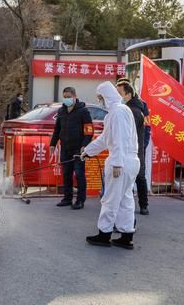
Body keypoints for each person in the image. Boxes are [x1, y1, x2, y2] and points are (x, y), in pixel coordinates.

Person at [82, 81, 140, 249]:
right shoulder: (119, 112)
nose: (100, 101)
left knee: (110, 199)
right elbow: (106, 139)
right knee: (125, 199)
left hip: (121, 163)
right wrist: (87, 152)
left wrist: (116, 163)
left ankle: (104, 234)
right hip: (129, 161)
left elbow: (119, 139)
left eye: (100, 98)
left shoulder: (117, 113)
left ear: (106, 96)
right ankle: (126, 235)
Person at [50, 87, 93, 210]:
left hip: (78, 149)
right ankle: (67, 198)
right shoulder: (61, 111)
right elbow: (57, 129)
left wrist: (85, 145)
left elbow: (89, 130)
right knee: (66, 174)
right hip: (65, 148)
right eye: (65, 97)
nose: (67, 99)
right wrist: (53, 143)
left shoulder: (83, 111)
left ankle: (80, 200)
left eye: (69, 97)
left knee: (79, 174)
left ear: (75, 96)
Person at [116, 80, 149, 215]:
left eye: (120, 93)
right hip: (135, 149)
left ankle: (142, 205)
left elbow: (128, 132)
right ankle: (139, 205)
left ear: (128, 94)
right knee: (135, 178)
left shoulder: (133, 111)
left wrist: (143, 145)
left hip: (134, 150)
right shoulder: (129, 108)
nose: (118, 97)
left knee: (137, 178)